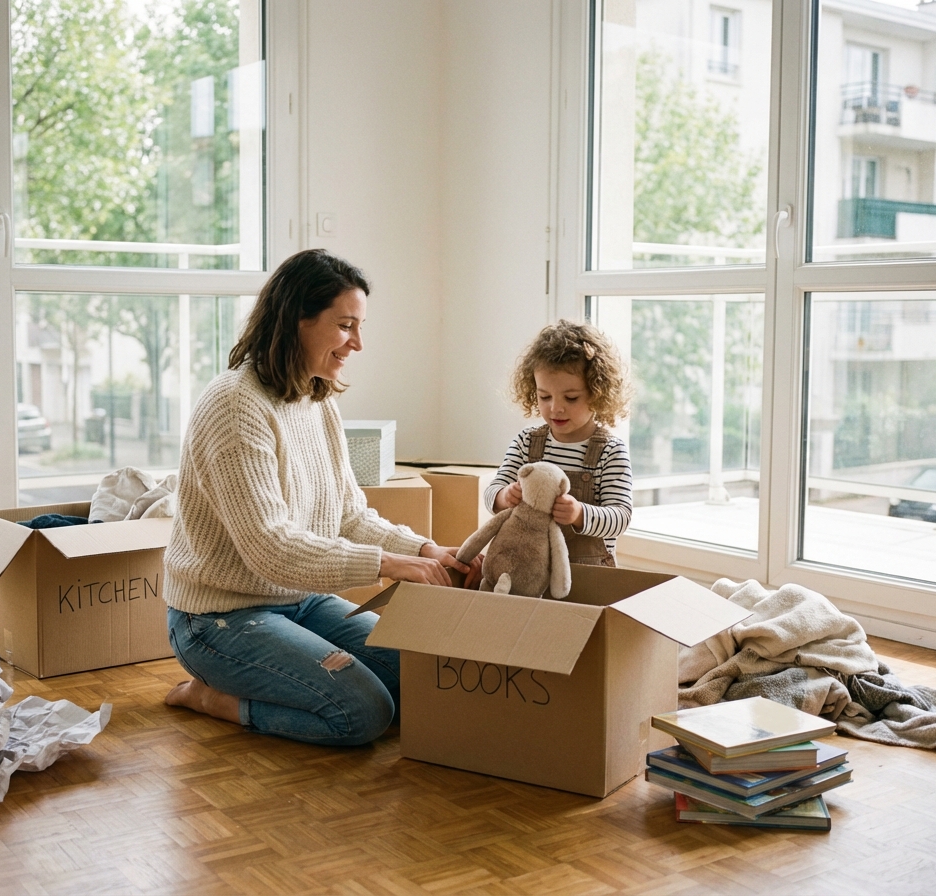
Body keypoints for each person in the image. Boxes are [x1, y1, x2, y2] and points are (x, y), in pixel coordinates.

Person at [163, 248, 478, 747]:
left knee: (426, 677)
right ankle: (211, 698)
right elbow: (270, 547)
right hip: (220, 620)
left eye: (360, 325)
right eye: (346, 325)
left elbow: (348, 514)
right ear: (297, 321)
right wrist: (390, 565)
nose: (358, 342)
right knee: (364, 712)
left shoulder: (317, 396)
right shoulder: (233, 406)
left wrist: (424, 550)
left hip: (299, 603)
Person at [486, 320, 633, 567]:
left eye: (571, 397)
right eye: (545, 396)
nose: (555, 408)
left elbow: (620, 517)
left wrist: (579, 514)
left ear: (598, 393)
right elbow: (493, 490)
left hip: (586, 573)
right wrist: (504, 496)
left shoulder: (610, 451)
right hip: (527, 567)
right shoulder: (526, 442)